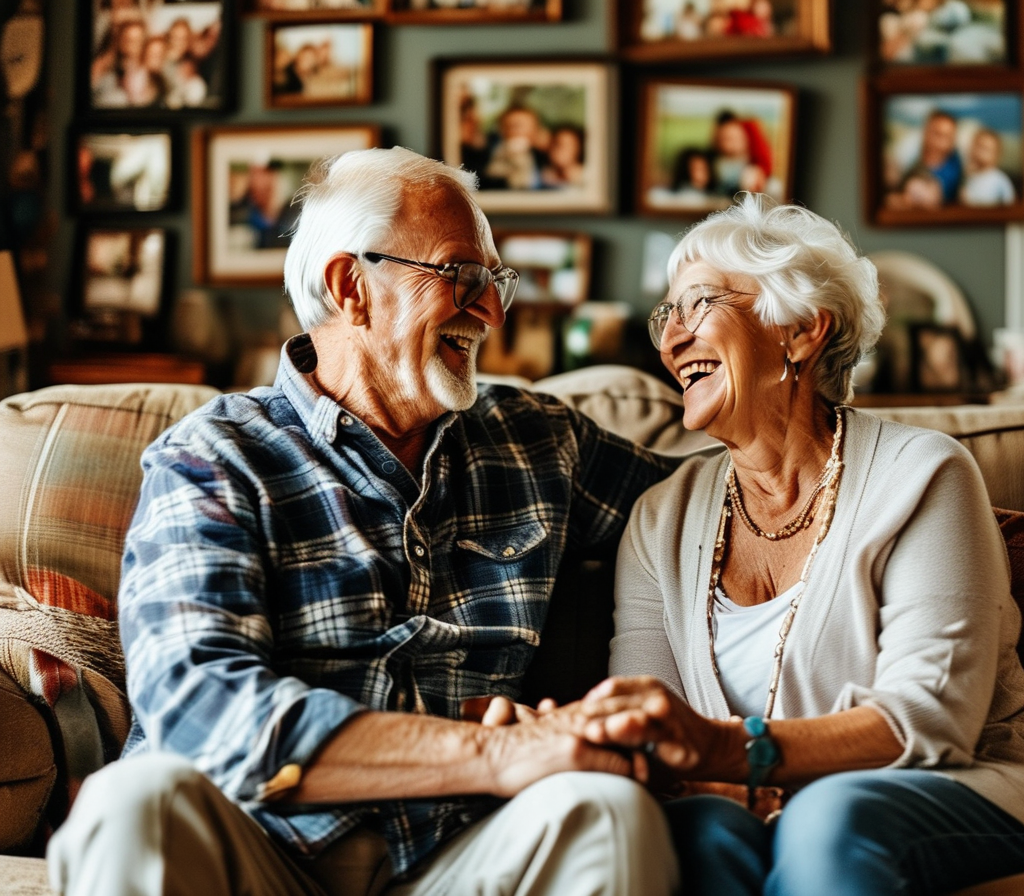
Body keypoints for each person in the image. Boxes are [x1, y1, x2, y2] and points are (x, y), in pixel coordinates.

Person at [46, 147, 682, 895]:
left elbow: (720, 516)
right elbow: (203, 710)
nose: (492, 309)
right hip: (258, 851)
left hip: (458, 857)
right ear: (352, 286)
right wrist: (502, 754)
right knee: (133, 805)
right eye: (461, 275)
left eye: (495, 280)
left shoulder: (539, 440)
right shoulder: (214, 458)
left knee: (605, 811)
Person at [580, 194, 1024, 895]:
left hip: (970, 787)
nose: (671, 339)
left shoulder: (922, 474)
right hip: (749, 807)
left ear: (799, 330)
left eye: (697, 304)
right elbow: (656, 726)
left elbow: (929, 719)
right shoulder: (659, 520)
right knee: (692, 832)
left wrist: (732, 752)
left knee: (829, 815)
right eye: (665, 315)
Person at [710, 110, 771, 197]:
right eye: (726, 139)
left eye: (736, 139)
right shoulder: (716, 164)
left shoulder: (751, 170)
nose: (732, 144)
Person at [913, 108, 963, 203]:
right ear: (925, 133)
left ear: (953, 141)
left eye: (947, 137)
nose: (939, 143)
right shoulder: (913, 158)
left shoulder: (954, 168)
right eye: (936, 134)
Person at [961, 127, 1017, 207]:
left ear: (996, 155)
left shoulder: (1000, 179)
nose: (980, 152)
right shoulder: (968, 177)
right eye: (978, 146)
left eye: (986, 149)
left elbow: (1009, 204)